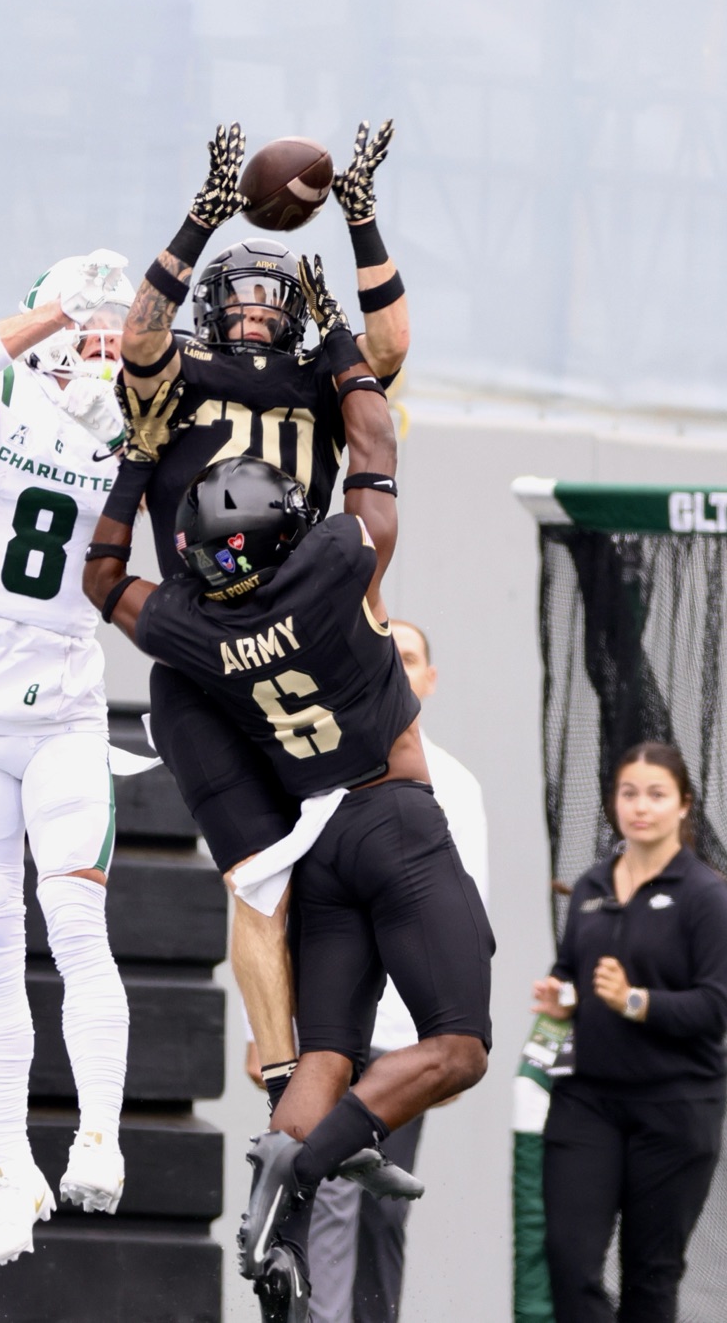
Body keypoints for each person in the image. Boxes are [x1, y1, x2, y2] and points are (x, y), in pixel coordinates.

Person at [103, 425, 493, 1322]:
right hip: (393, 819)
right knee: (460, 1047)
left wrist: (137, 466)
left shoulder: (201, 637)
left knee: (321, 1056)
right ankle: (299, 1168)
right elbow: (372, 471)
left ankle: (278, 1228)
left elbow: (109, 586)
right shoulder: (337, 583)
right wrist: (350, 372)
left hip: (314, 840)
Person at [81, 121, 410, 1118]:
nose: (259, 309)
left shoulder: (320, 377)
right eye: (243, 294)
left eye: (275, 297)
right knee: (259, 875)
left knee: (347, 849)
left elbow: (387, 349)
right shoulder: (179, 369)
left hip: (303, 621)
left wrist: (359, 219)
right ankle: (282, 1074)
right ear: (214, 306)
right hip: (207, 628)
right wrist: (201, 217)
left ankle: (338, 1054)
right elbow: (142, 337)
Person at [0, 252, 136, 1267]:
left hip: (62, 717)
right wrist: (49, 315)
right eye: (87, 323)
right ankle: (12, 1164)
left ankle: (98, 1132)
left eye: (108, 325)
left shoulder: (135, 432)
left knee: (78, 922)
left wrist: (138, 428)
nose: (99, 340)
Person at [295, 620, 489, 1323]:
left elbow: (469, 914)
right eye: (388, 654)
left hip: (406, 1041)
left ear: (429, 679)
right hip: (329, 1030)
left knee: (381, 1209)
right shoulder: (317, 767)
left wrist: (450, 1044)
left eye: (410, 657)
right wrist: (269, 1030)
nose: (397, 668)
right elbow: (275, 899)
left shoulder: (455, 785)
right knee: (321, 1199)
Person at [531, 743, 727, 1323]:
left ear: (683, 805)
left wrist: (635, 1001)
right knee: (569, 1262)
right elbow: (571, 970)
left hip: (675, 1109)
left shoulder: (706, 897)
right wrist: (561, 995)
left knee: (650, 1278)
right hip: (586, 1103)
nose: (641, 807)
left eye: (656, 794)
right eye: (629, 794)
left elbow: (716, 1008)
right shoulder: (590, 888)